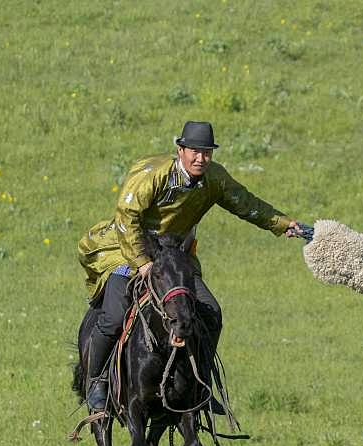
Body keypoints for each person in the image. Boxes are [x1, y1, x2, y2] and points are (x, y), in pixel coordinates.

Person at [78, 121, 303, 413]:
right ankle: (96, 382)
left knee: (211, 312)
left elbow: (245, 203)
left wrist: (283, 223)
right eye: (194, 151)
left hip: (174, 259)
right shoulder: (153, 176)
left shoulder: (214, 178)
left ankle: (201, 386)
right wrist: (143, 262)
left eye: (206, 152)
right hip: (128, 251)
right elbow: (127, 216)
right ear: (180, 150)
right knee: (112, 317)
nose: (201, 158)